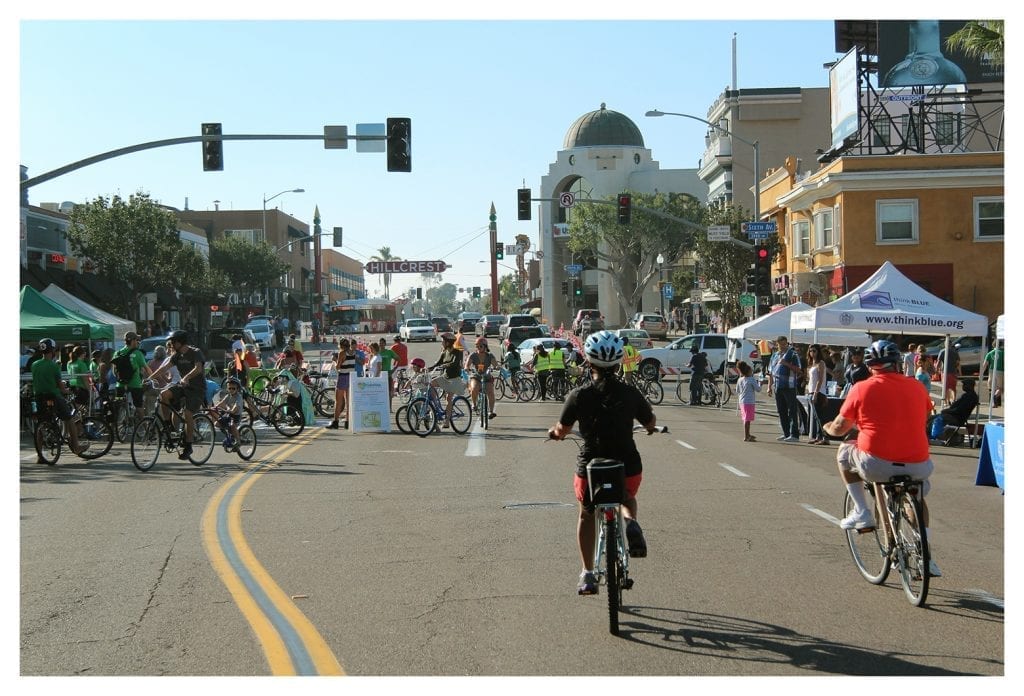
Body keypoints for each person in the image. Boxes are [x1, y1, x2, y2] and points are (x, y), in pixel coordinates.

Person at [547, 331, 657, 595]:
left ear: (588, 361)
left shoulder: (579, 395)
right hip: (627, 465)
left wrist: (555, 434)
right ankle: (630, 522)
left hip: (590, 468)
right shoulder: (630, 393)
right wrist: (651, 428)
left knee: (586, 513)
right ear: (619, 362)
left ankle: (587, 574)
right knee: (626, 498)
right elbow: (650, 422)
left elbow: (562, 429)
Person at [822, 339, 941, 577]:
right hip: (919, 463)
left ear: (870, 366)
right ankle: (925, 552)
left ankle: (862, 511)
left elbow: (840, 427)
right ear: (897, 363)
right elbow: (926, 413)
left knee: (845, 451)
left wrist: (827, 428)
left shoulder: (861, 388)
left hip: (876, 462)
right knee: (913, 498)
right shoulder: (917, 386)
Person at [147, 330, 206, 461]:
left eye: (172, 342)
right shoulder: (176, 356)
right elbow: (164, 368)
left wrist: (186, 377)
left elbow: (198, 368)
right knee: (164, 394)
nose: (171, 344)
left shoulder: (195, 352)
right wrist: (149, 378)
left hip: (197, 389)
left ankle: (188, 445)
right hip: (182, 386)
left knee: (188, 413)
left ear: (179, 342)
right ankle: (169, 426)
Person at [31, 338, 84, 456]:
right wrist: (67, 391)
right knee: (69, 418)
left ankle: (40, 456)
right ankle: (76, 446)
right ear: (53, 350)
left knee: (41, 423)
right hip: (53, 396)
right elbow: (60, 386)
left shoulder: (35, 365)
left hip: (39, 397)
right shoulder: (53, 366)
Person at [767, 335, 803, 442]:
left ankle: (794, 434)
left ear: (787, 343)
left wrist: (786, 364)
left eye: (784, 344)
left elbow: (799, 370)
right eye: (780, 344)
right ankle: (786, 432)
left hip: (789, 386)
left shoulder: (792, 354)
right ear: (777, 344)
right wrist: (769, 386)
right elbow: (771, 372)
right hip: (778, 386)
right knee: (781, 410)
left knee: (791, 410)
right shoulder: (775, 355)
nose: (782, 346)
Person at [113, 331, 154, 421]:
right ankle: (144, 426)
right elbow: (147, 369)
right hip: (135, 384)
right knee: (139, 405)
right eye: (136, 340)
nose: (138, 342)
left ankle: (115, 427)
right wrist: (153, 378)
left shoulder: (117, 353)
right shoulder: (138, 353)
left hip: (120, 385)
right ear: (132, 341)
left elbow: (114, 371)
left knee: (118, 405)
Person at [429, 333, 466, 426]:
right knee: (431, 384)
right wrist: (428, 368)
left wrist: (445, 365)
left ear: (448, 342)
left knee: (449, 398)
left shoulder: (458, 352)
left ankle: (447, 421)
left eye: (443, 342)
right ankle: (436, 406)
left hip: (455, 379)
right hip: (445, 378)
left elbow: (455, 362)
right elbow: (437, 363)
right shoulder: (444, 352)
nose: (442, 343)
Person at [467, 336, 499, 419]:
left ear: (485, 346)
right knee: (474, 388)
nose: (478, 348)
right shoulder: (473, 355)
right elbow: (467, 364)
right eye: (477, 346)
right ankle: (474, 404)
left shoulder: (490, 355)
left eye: (480, 346)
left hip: (486, 377)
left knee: (491, 392)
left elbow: (495, 364)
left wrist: (497, 367)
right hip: (476, 376)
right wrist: (467, 368)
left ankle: (491, 412)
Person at [326, 338, 355, 430]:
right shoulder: (353, 352)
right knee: (348, 401)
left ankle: (336, 422)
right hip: (351, 377)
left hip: (343, 377)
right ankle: (347, 421)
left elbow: (338, 367)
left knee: (338, 401)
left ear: (341, 345)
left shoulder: (342, 353)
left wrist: (334, 361)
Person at [805, 345, 829, 445]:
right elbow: (810, 380)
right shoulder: (812, 364)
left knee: (819, 416)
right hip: (811, 390)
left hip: (819, 392)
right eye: (810, 351)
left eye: (814, 351)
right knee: (814, 416)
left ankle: (824, 437)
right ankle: (817, 436)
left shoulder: (821, 363)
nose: (812, 353)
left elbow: (820, 380)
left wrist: (816, 393)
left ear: (818, 352)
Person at [211, 376, 244, 449]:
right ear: (227, 388)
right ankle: (229, 436)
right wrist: (215, 407)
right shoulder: (228, 396)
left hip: (236, 416)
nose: (231, 390)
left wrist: (232, 410)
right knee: (217, 423)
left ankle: (238, 441)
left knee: (232, 425)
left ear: (237, 389)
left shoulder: (239, 397)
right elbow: (222, 403)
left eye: (233, 388)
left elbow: (236, 406)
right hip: (229, 414)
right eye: (229, 388)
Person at [735, 360, 761, 442]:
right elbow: (758, 389)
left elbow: (737, 390)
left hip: (742, 400)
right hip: (749, 401)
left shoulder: (740, 379)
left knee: (745, 418)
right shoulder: (751, 379)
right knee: (747, 419)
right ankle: (746, 436)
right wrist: (761, 383)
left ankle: (748, 434)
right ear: (749, 371)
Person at [936, 342, 961, 407]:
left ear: (945, 344)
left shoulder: (942, 351)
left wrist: (936, 370)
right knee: (953, 387)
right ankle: (953, 400)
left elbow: (938, 362)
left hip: (945, 371)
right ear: (951, 344)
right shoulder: (955, 352)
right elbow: (958, 362)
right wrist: (959, 371)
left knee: (946, 387)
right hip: (953, 371)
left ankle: (946, 402)